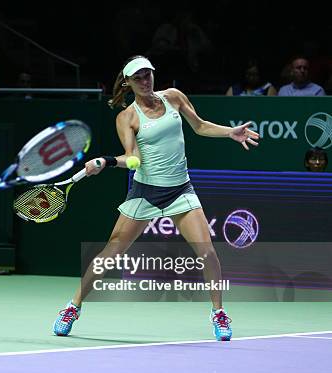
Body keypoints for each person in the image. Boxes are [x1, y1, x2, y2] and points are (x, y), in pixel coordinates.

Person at [52, 55, 260, 341]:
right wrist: (106, 161)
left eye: (147, 74)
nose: (145, 80)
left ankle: (218, 313)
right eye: (138, 77)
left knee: (207, 252)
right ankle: (73, 307)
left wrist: (230, 133)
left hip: (180, 189)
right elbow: (133, 157)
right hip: (146, 192)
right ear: (128, 83)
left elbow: (199, 126)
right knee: (110, 255)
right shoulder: (127, 117)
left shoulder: (173, 97)